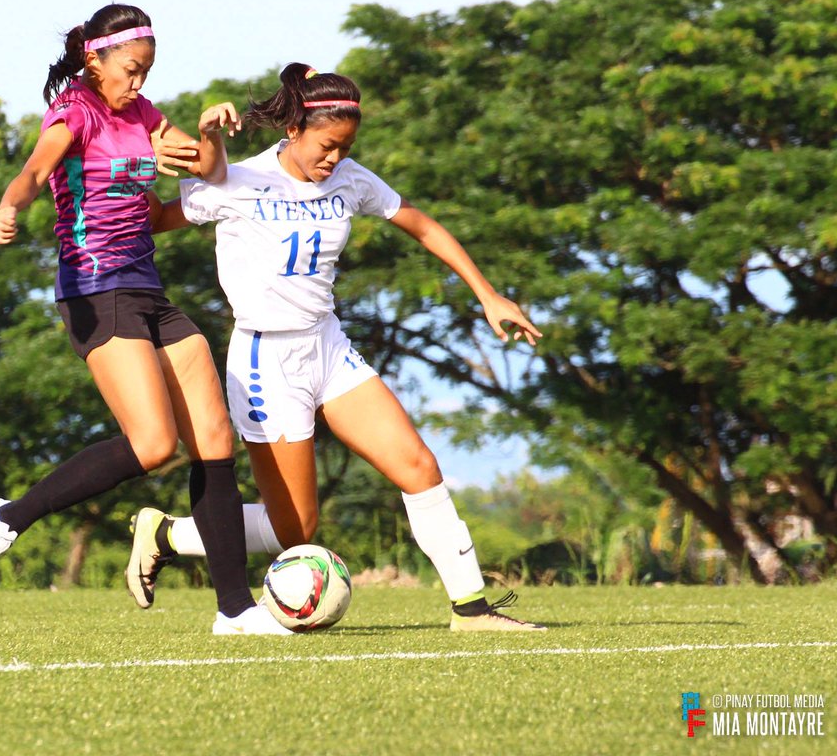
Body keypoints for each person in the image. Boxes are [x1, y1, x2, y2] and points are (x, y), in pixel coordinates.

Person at [126, 63, 546, 632]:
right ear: (295, 126)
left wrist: (489, 295)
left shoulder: (350, 179)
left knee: (419, 466)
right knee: (295, 529)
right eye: (327, 146)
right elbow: (151, 221)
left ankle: (472, 609)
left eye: (345, 148)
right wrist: (138, 155)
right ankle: (169, 533)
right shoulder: (237, 181)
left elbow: (420, 224)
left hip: (328, 345)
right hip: (265, 360)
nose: (335, 159)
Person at [0, 4, 290, 635]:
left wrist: (208, 129)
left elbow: (208, 173)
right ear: (96, 59)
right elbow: (34, 171)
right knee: (153, 444)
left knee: (215, 443)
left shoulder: (143, 115)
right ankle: (6, 519)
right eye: (131, 70)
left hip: (148, 289)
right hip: (93, 290)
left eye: (148, 71)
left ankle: (235, 611)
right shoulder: (73, 114)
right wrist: (8, 207)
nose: (139, 82)